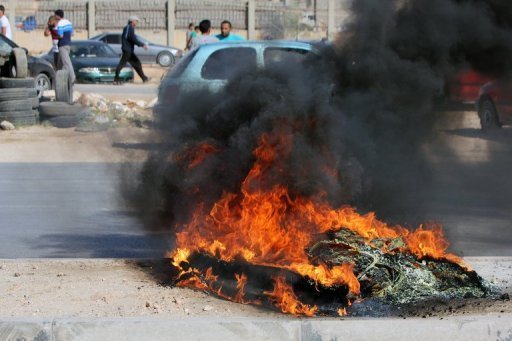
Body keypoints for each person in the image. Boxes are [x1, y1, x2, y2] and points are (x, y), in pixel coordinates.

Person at [114, 15, 149, 85]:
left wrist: (140, 44)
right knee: (122, 64)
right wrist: (142, 45)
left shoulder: (130, 27)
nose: (137, 23)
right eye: (136, 21)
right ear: (132, 21)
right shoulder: (128, 27)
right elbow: (130, 38)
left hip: (129, 50)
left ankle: (144, 78)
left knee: (137, 63)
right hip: (127, 50)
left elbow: (131, 38)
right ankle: (116, 79)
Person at [54, 9, 76, 84]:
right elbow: (72, 33)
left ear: (57, 16)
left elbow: (60, 35)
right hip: (68, 44)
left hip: (62, 45)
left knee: (66, 63)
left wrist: (56, 34)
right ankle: (59, 80)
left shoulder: (60, 24)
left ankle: (72, 78)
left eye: (55, 15)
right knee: (60, 64)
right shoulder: (69, 22)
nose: (54, 17)